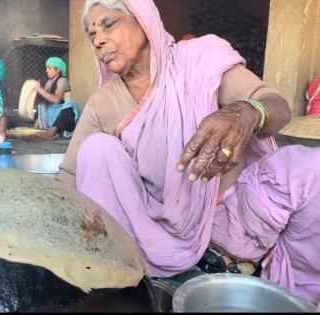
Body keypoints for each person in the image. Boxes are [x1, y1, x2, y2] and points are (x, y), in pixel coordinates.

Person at [58, 0, 320, 305]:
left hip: (229, 216)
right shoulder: (103, 103)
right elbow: (70, 175)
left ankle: (298, 289)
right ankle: (126, 276)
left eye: (108, 24)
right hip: (151, 232)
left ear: (143, 21)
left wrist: (245, 112)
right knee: (97, 151)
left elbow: (274, 104)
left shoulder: (197, 62)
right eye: (92, 35)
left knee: (311, 168)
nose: (99, 39)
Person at [32, 57, 79, 140]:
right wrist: (36, 92)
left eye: (49, 68)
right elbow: (44, 98)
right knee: (42, 104)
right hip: (53, 116)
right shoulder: (49, 82)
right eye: (46, 68)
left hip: (65, 118)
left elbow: (57, 100)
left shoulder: (62, 81)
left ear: (57, 70)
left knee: (69, 105)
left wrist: (40, 90)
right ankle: (36, 128)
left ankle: (52, 133)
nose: (47, 71)